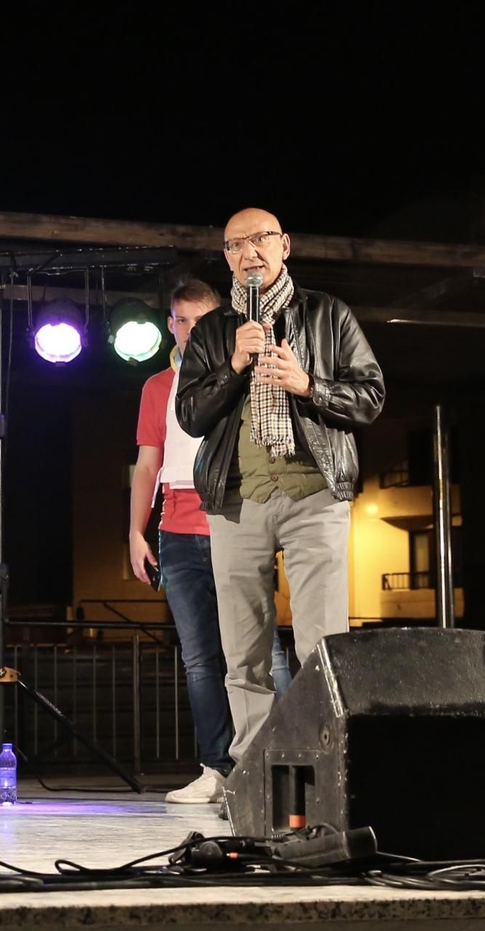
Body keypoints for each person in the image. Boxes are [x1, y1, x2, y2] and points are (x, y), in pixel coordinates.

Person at [175, 208, 385, 769]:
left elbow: (370, 397)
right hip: (237, 500)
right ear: (227, 258)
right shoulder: (214, 331)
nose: (251, 252)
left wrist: (309, 385)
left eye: (261, 239)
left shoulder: (328, 314)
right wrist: (234, 365)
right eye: (237, 244)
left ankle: (322, 765)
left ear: (285, 245)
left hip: (314, 493)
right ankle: (251, 770)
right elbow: (190, 415)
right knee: (242, 652)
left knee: (322, 643)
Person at [130, 279, 288, 805]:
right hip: (175, 528)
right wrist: (135, 530)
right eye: (181, 321)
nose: (190, 331)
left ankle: (285, 759)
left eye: (202, 321)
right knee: (200, 660)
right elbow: (148, 463)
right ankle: (217, 769)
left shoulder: (243, 373)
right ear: (170, 325)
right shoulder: (157, 387)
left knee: (264, 650)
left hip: (236, 518)